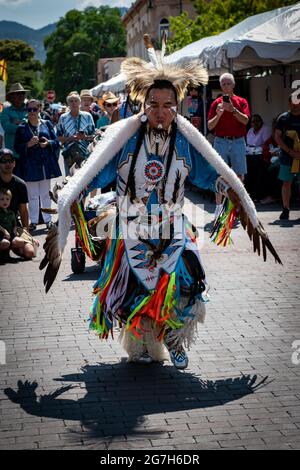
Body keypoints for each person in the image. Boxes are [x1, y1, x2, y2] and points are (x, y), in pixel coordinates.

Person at [43, 36, 281, 370]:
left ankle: (174, 338)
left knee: (187, 282)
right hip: (130, 226)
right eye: (153, 105)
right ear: (143, 105)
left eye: (168, 105)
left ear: (177, 107)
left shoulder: (186, 142)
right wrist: (75, 189)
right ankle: (143, 342)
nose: (160, 112)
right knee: (134, 290)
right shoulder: (124, 141)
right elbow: (99, 172)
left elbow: (203, 174)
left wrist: (226, 189)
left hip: (172, 225)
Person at [207, 73, 250, 220]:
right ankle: (219, 208)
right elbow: (210, 126)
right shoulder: (215, 103)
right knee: (219, 175)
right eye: (223, 84)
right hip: (221, 141)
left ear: (233, 85)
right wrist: (219, 114)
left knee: (239, 176)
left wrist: (232, 110)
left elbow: (245, 121)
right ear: (220, 86)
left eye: (228, 83)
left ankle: (237, 207)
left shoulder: (241, 101)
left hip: (237, 141)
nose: (225, 86)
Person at [14, 99, 61, 231]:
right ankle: (33, 222)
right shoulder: (22, 128)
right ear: (26, 111)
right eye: (29, 110)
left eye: (35, 109)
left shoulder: (46, 124)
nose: (32, 112)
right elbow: (16, 147)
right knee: (32, 196)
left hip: (45, 165)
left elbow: (56, 141)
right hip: (29, 166)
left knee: (45, 194)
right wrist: (27, 145)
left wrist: (48, 143)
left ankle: (48, 221)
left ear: (40, 109)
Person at [0, 148, 36, 260]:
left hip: (14, 226)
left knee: (30, 253)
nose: (8, 164)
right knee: (3, 244)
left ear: (14, 163)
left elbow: (24, 211)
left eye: (10, 160)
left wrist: (26, 232)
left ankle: (11, 246)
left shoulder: (20, 184)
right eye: (4, 161)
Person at [57, 91, 95, 176]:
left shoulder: (87, 116)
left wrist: (85, 137)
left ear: (80, 102)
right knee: (69, 181)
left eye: (76, 101)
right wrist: (71, 138)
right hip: (69, 154)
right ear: (68, 104)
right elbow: (58, 137)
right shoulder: (63, 118)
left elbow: (94, 136)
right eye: (71, 101)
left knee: (84, 181)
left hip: (85, 153)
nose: (74, 103)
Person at [275, 94, 300, 220]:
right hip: (287, 155)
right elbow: (278, 137)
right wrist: (290, 151)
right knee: (286, 183)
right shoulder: (283, 118)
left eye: (297, 102)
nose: (294, 105)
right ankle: (286, 208)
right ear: (289, 103)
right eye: (292, 102)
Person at [0, 188, 36, 262]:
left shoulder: (11, 213)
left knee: (20, 241)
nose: (5, 201)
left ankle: (9, 253)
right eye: (2, 199)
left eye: (7, 199)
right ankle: (3, 255)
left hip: (10, 236)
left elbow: (15, 226)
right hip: (1, 236)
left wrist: (29, 238)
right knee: (5, 243)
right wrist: (4, 231)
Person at [0, 83, 28, 174]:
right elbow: (7, 128)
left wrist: (18, 123)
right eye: (18, 94)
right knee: (13, 183)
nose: (21, 96)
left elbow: (35, 125)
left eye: (22, 93)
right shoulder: (5, 111)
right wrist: (24, 125)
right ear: (11, 97)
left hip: (29, 152)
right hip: (13, 154)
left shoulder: (30, 109)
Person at [245, 114, 271, 202]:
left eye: (257, 121)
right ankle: (250, 194)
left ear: (261, 122)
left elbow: (266, 143)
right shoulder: (250, 130)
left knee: (258, 171)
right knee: (247, 171)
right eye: (253, 121)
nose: (255, 123)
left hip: (261, 155)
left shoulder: (265, 129)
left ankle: (258, 195)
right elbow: (248, 143)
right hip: (251, 154)